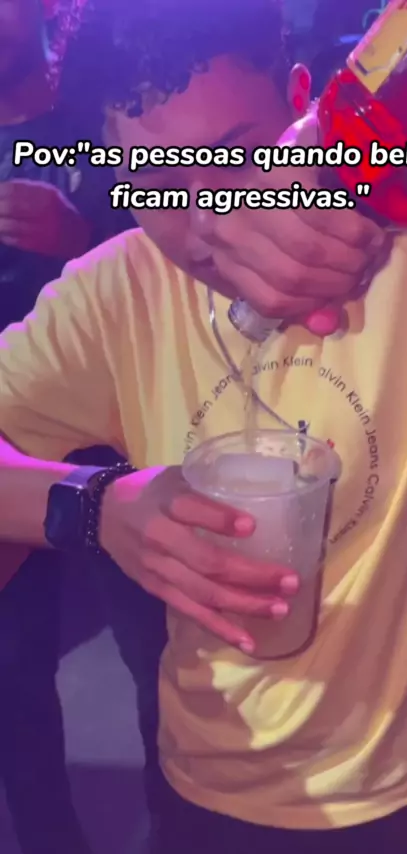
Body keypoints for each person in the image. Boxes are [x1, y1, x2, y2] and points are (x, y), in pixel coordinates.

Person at [1, 0, 407, 852]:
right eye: (158, 184)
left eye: (238, 157)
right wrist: (93, 505)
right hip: (213, 782)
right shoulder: (114, 296)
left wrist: (356, 161)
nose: (206, 222)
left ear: (301, 106)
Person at [0, 1, 129, 851]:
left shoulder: (103, 117)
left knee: (162, 652)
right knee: (13, 670)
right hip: (9, 434)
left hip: (115, 440)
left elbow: (182, 247)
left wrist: (80, 238)